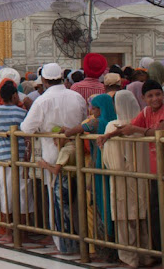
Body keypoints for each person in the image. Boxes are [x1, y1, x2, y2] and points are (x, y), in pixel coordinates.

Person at [20, 63, 87, 249]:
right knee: (76, 195)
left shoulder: (43, 100)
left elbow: (26, 128)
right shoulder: (76, 96)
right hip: (77, 150)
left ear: (43, 80)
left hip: (53, 153)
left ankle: (62, 242)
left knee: (56, 198)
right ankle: (81, 239)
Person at [98, 79, 164, 252]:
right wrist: (109, 136)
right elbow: (130, 126)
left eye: (158, 94)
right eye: (150, 96)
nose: (155, 98)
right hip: (155, 171)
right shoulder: (146, 112)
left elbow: (159, 132)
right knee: (156, 214)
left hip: (161, 170)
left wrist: (137, 131)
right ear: (143, 98)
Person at [99, 90, 152, 268]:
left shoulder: (113, 126)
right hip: (142, 176)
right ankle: (146, 255)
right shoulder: (141, 126)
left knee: (124, 219)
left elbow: (109, 159)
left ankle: (130, 258)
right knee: (142, 217)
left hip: (121, 178)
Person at [65, 93, 117, 261]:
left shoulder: (96, 122)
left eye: (94, 107)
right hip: (111, 167)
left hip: (99, 168)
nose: (92, 110)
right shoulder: (114, 121)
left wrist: (65, 131)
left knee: (100, 207)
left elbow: (74, 131)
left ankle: (104, 250)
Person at [0, 81, 32, 243]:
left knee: (5, 194)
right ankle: (22, 231)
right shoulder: (21, 112)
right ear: (15, 96)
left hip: (3, 158)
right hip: (20, 158)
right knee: (22, 195)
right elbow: (28, 131)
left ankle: (8, 231)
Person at [37, 130, 78, 254]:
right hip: (71, 182)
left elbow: (56, 170)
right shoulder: (75, 147)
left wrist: (45, 165)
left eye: (55, 139)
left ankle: (66, 247)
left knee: (62, 216)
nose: (54, 143)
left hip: (63, 184)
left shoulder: (66, 150)